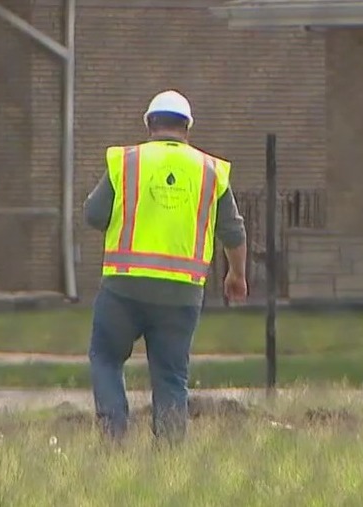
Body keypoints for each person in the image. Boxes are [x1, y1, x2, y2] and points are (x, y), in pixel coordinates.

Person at [83, 89, 248, 443]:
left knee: (106, 357)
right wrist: (236, 274)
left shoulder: (127, 162)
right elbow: (233, 231)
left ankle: (113, 436)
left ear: (149, 124)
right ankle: (169, 455)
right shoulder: (209, 170)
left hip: (124, 287)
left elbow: (94, 215)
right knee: (172, 376)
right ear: (187, 128)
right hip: (182, 292)